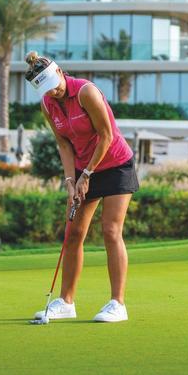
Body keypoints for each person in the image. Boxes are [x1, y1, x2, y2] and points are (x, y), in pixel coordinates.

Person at [25, 51, 138, 323]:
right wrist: (70, 180)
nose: (53, 92)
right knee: (73, 233)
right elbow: (64, 144)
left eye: (54, 85)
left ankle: (118, 304)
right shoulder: (47, 104)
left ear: (60, 72)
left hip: (115, 164)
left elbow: (106, 135)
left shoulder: (86, 92)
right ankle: (66, 302)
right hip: (82, 169)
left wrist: (86, 174)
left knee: (110, 230)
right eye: (46, 89)